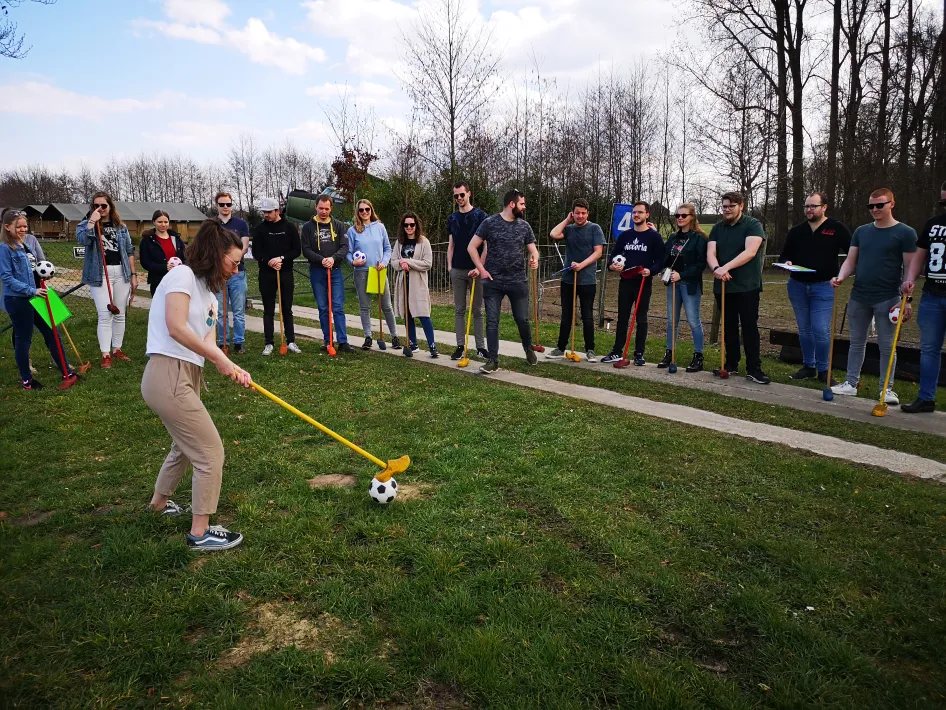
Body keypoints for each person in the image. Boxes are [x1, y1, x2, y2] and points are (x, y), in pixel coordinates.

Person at [142, 219, 251, 551]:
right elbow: (175, 327)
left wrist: (230, 365)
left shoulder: (210, 295)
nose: (235, 270)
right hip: (168, 373)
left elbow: (208, 343)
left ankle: (158, 505)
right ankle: (200, 532)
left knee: (185, 448)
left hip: (186, 375)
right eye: (233, 262)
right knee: (209, 452)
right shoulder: (182, 276)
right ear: (216, 254)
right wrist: (218, 359)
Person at [830, 188, 917, 404]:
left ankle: (886, 389)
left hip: (888, 297)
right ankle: (851, 383)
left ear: (892, 204)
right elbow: (851, 260)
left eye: (880, 205)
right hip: (859, 295)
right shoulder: (861, 231)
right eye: (871, 206)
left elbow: (910, 268)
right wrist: (840, 276)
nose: (875, 209)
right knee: (856, 342)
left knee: (887, 345)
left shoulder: (906, 233)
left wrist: (906, 299)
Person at [0, 209, 78, 390]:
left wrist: (43, 280)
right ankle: (27, 380)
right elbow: (7, 278)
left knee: (52, 333)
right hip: (19, 300)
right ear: (7, 227)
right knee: (23, 339)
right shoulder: (5, 249)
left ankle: (67, 372)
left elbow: (35, 269)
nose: (22, 229)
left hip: (37, 296)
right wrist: (31, 290)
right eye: (18, 226)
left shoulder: (25, 245)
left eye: (25, 226)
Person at [779, 193, 852, 382]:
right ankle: (808, 366)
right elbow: (784, 255)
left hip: (824, 286)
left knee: (820, 328)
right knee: (804, 329)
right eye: (807, 206)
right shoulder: (797, 231)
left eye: (813, 206)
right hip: (797, 286)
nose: (809, 210)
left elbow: (852, 254)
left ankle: (824, 370)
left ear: (824, 207)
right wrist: (786, 262)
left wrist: (842, 274)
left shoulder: (836, 229)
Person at [468, 189, 540, 374]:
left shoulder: (524, 226)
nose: (524, 207)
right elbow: (471, 247)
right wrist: (482, 269)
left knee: (522, 319)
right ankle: (493, 360)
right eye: (522, 204)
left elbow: (534, 250)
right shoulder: (489, 223)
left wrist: (534, 258)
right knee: (492, 321)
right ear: (512, 204)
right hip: (493, 282)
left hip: (518, 281)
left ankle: (528, 348)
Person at [706, 192, 770, 383]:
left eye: (731, 206)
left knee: (749, 326)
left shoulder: (752, 225)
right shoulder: (718, 227)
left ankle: (754, 368)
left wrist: (726, 267)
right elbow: (711, 252)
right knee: (728, 327)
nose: (727, 209)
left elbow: (750, 252)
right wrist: (717, 268)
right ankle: (731, 364)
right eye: (724, 206)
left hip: (746, 286)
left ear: (741, 206)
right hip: (724, 285)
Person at [899, 182, 946, 413]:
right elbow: (920, 256)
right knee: (929, 349)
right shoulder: (933, 224)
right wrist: (911, 279)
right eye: (942, 202)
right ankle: (926, 397)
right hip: (932, 294)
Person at [76, 192, 137, 368]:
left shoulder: (120, 227)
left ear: (110, 206)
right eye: (96, 206)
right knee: (105, 314)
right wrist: (92, 222)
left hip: (121, 272)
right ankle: (105, 354)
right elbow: (83, 240)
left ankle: (117, 349)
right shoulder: (86, 225)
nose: (100, 209)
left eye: (104, 205)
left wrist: (133, 275)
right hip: (100, 273)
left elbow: (128, 250)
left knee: (119, 314)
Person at [600, 202, 665, 365]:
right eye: (634, 212)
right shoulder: (625, 235)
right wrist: (611, 265)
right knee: (622, 317)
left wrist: (651, 270)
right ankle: (617, 351)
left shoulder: (654, 237)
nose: (636, 215)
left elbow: (661, 260)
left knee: (641, 318)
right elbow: (613, 256)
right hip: (626, 281)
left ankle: (639, 354)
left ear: (647, 215)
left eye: (640, 212)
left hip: (643, 282)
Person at [547, 198, 605, 361]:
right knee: (566, 315)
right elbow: (553, 234)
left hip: (587, 280)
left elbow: (598, 252)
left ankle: (590, 350)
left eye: (583, 213)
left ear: (588, 213)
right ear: (573, 213)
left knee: (587, 316)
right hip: (568, 280)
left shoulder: (595, 228)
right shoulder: (570, 228)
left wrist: (581, 265)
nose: (580, 216)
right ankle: (560, 347)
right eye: (577, 213)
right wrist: (567, 220)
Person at [657, 203, 708, 372]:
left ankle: (698, 357)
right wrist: (664, 272)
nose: (680, 218)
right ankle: (669, 354)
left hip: (689, 284)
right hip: (672, 284)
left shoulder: (699, 238)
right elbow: (664, 257)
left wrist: (683, 274)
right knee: (672, 321)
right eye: (677, 215)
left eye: (683, 215)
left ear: (692, 217)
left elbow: (701, 264)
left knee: (693, 321)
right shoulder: (673, 237)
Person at [301, 195, 354, 353]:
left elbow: (344, 247)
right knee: (323, 307)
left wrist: (333, 258)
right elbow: (306, 249)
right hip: (318, 272)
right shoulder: (308, 227)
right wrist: (321, 260)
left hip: (335, 271)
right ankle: (327, 340)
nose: (323, 211)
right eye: (321, 208)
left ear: (331, 209)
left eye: (327, 208)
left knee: (337, 307)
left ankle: (343, 341)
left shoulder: (338, 225)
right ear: (316, 207)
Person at [346, 199, 401, 350]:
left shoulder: (380, 227)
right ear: (357, 212)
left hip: (378, 271)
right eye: (361, 210)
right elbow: (348, 253)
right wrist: (352, 262)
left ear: (371, 210)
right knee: (365, 306)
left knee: (387, 306)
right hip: (361, 273)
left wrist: (384, 262)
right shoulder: (352, 231)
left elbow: (388, 248)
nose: (364, 212)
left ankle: (395, 336)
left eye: (367, 209)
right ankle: (368, 336)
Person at [253, 197, 302, 355]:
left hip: (285, 272)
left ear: (277, 211)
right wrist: (269, 261)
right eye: (264, 212)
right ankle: (269, 343)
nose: (266, 215)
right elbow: (256, 252)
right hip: (266, 274)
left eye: (269, 212)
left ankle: (291, 341)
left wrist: (281, 258)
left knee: (287, 309)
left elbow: (296, 250)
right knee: (268, 309)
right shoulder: (260, 229)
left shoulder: (289, 228)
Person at [447, 182, 488, 359]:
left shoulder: (481, 216)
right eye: (456, 196)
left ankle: (480, 347)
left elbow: (487, 246)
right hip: (457, 270)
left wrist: (480, 268)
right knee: (459, 310)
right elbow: (451, 245)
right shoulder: (452, 218)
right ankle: (460, 346)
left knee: (477, 310)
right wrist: (450, 267)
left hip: (475, 271)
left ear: (469, 194)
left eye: (462, 195)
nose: (459, 199)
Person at [392, 211, 438, 357]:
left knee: (423, 313)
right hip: (403, 283)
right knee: (407, 314)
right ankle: (413, 344)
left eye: (412, 224)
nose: (409, 227)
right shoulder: (399, 242)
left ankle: (432, 346)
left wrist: (409, 262)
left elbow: (427, 263)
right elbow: (393, 261)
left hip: (418, 283)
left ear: (416, 225)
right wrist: (401, 263)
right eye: (406, 225)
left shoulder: (423, 241)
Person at [214, 192, 250, 354]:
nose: (226, 207)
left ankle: (239, 341)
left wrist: (232, 262)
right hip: (218, 274)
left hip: (237, 273)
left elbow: (244, 247)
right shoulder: (212, 224)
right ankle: (223, 341)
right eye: (222, 205)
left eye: (228, 204)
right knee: (220, 311)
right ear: (217, 206)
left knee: (238, 310)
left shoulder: (241, 224)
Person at [139, 210, 186, 296]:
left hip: (177, 280)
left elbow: (185, 257)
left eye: (166, 222)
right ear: (154, 222)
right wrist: (164, 267)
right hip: (158, 281)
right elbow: (145, 263)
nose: (163, 225)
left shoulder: (176, 238)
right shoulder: (147, 240)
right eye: (160, 222)